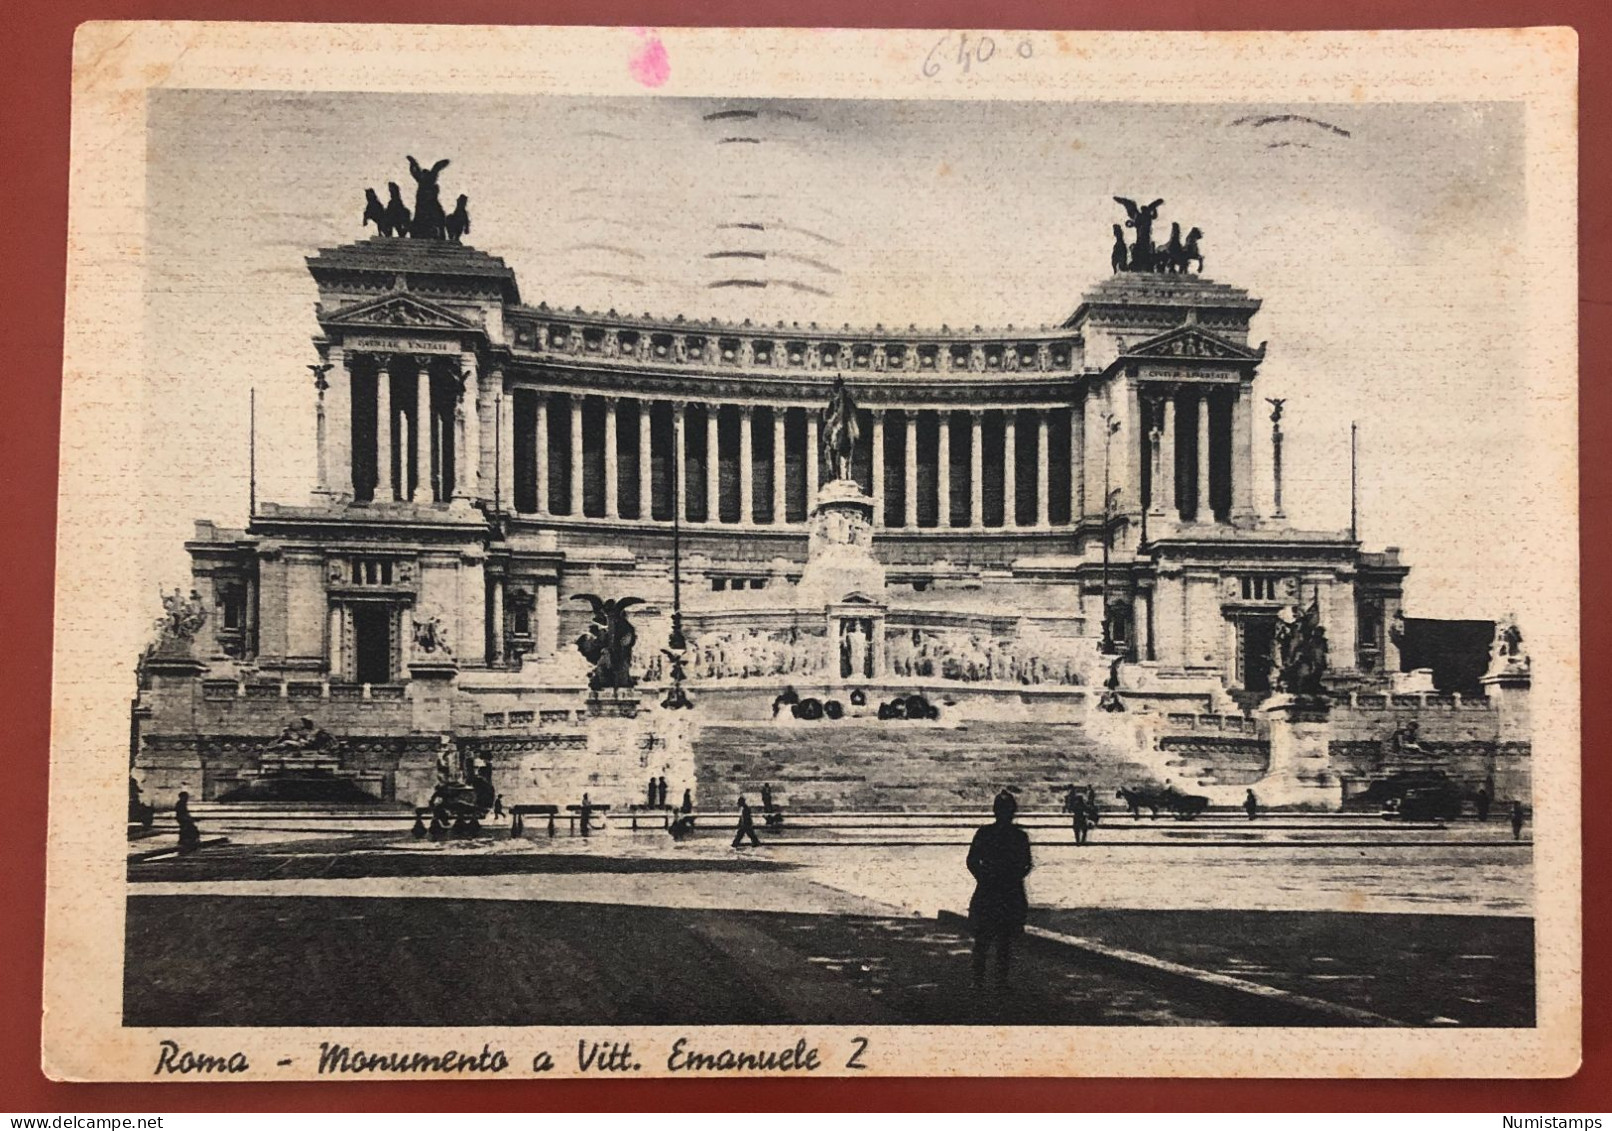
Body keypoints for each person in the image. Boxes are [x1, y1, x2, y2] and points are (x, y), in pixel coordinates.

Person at [966, 790, 1033, 989]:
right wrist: (1011, 878)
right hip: (1008, 892)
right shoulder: (1019, 836)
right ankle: (997, 982)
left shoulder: (985, 833)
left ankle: (979, 981)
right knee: (1000, 940)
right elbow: (1026, 864)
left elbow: (972, 861)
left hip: (989, 890)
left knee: (986, 940)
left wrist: (985, 878)